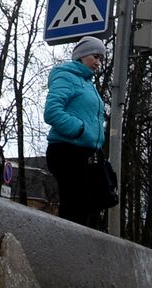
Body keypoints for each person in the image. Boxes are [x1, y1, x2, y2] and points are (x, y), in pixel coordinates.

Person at [44, 36, 108, 229]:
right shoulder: (66, 76)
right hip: (65, 151)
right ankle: (63, 254)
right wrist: (80, 129)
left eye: (101, 59)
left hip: (83, 154)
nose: (98, 63)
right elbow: (52, 112)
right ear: (81, 56)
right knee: (74, 210)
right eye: (95, 57)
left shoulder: (88, 84)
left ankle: (74, 254)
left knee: (84, 210)